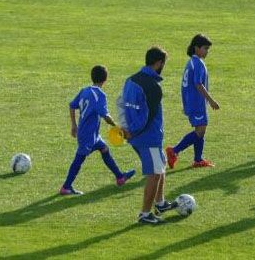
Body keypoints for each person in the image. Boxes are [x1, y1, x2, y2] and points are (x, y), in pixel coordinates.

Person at [120, 47, 178, 224]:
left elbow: (121, 104)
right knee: (154, 173)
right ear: (158, 63)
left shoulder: (131, 80)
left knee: (161, 166)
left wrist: (125, 128)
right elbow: (148, 117)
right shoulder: (153, 87)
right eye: (163, 63)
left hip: (135, 134)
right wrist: (133, 130)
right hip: (147, 136)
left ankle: (160, 203)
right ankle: (145, 214)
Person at [60, 66, 136, 196]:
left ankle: (120, 177)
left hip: (92, 134)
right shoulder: (99, 95)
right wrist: (118, 127)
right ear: (105, 80)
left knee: (104, 149)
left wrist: (74, 125)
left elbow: (72, 105)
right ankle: (66, 187)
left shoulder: (85, 90)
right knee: (79, 158)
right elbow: (106, 116)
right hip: (87, 134)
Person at [167, 34, 220, 169]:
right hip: (196, 102)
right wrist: (211, 100)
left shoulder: (192, 61)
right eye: (205, 48)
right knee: (200, 131)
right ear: (196, 48)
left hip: (192, 101)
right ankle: (174, 151)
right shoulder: (198, 64)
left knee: (200, 130)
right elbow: (198, 84)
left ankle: (198, 160)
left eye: (208, 49)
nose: (207, 51)